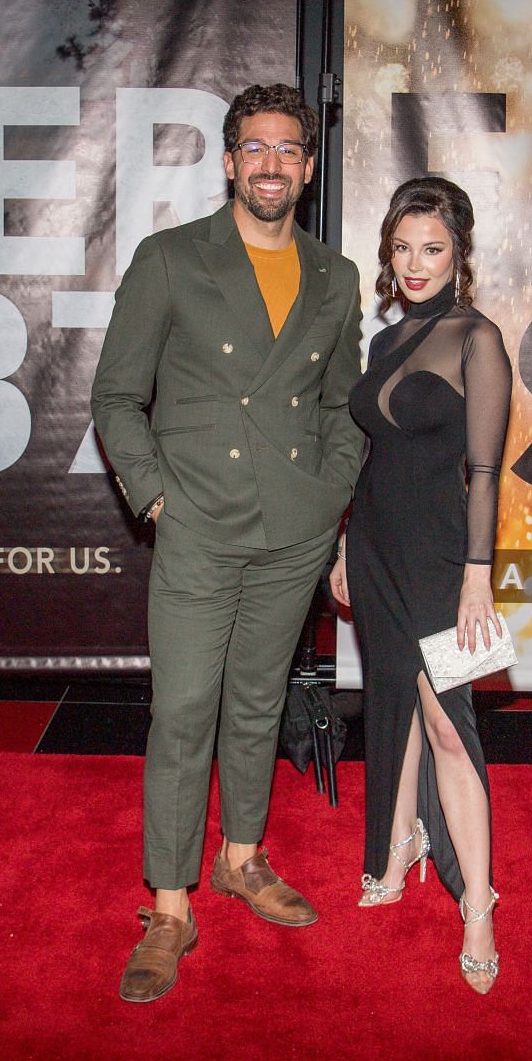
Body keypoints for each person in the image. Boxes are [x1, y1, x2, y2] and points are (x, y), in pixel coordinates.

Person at [91, 83, 365, 1003]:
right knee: (182, 713)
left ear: (310, 167)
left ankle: (242, 859)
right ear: (228, 160)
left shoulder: (337, 276)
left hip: (292, 528)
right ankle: (170, 907)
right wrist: (158, 498)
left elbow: (343, 407)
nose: (273, 165)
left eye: (290, 150)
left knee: (256, 705)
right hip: (200, 525)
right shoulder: (172, 259)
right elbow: (115, 397)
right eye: (257, 148)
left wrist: (330, 499)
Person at [328, 176, 513, 993]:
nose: (414, 264)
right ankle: (398, 845)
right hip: (373, 548)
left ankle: (478, 901)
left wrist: (479, 580)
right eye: (401, 249)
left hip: (443, 559)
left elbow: (485, 471)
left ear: (458, 255)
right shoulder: (384, 343)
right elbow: (371, 455)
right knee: (393, 703)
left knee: (447, 722)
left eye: (431, 249)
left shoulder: (478, 339)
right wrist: (341, 545)